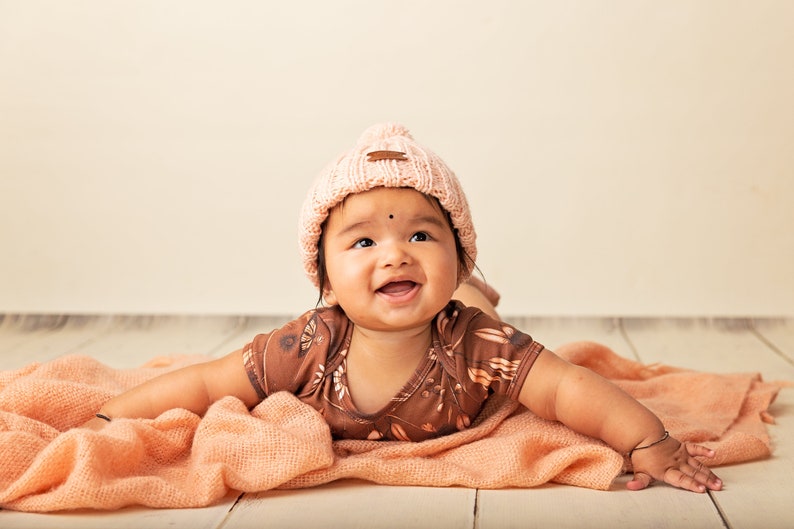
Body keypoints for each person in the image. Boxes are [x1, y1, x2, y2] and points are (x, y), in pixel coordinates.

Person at [83, 123, 722, 494]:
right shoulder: (307, 345)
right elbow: (205, 380)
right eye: (363, 241)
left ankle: (477, 291)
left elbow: (569, 390)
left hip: (464, 317)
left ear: (458, 252)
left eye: (421, 236)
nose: (395, 255)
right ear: (326, 278)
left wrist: (650, 442)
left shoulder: (483, 348)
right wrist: (113, 415)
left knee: (476, 313)